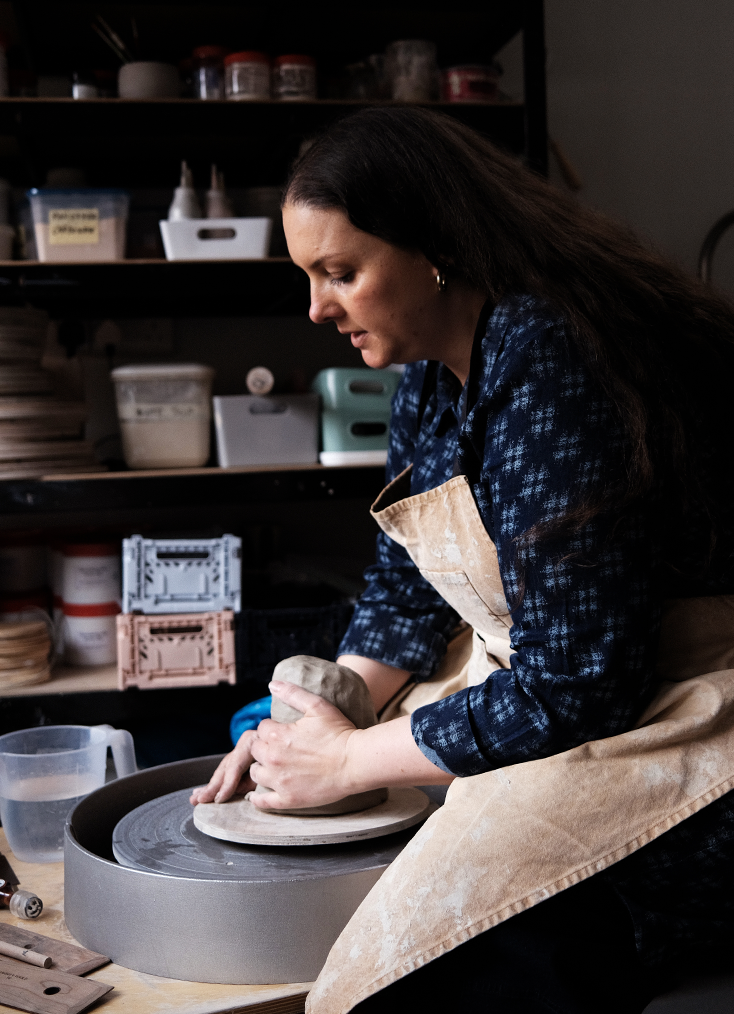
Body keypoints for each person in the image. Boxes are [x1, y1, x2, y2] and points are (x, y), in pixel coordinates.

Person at [192, 107, 734, 1013]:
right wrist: (323, 710)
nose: (318, 308)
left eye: (341, 273)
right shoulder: (426, 382)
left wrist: (350, 763)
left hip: (684, 721)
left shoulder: (552, 361)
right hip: (561, 694)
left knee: (453, 966)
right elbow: (410, 593)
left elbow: (579, 687)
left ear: (435, 248)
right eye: (310, 277)